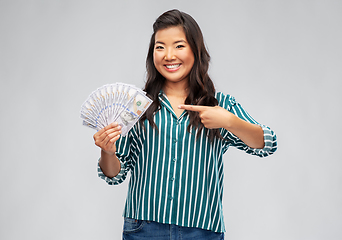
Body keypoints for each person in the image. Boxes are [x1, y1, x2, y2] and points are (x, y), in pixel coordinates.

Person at [93, 9, 277, 240]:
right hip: (144, 228)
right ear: (152, 54)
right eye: (160, 47)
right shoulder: (136, 106)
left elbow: (267, 144)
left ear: (196, 50)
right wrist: (107, 152)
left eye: (179, 45)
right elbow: (115, 175)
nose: (169, 55)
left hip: (202, 230)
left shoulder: (219, 105)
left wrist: (228, 121)